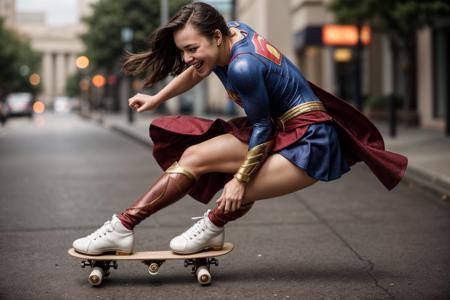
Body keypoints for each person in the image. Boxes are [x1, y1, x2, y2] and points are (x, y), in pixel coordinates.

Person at [72, 2, 407, 255]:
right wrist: (157, 97)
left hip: (308, 140)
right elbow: (198, 70)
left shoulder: (244, 65)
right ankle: (122, 227)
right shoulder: (228, 33)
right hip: (277, 127)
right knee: (193, 155)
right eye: (183, 50)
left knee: (241, 189)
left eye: (192, 49)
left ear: (217, 37)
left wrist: (240, 179)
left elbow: (261, 127)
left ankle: (211, 226)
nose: (188, 58)